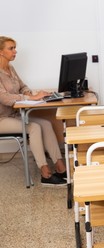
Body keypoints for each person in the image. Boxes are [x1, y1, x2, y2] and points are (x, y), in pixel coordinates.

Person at [0, 36, 67, 186]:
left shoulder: (10, 69)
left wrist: (30, 94)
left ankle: (60, 167)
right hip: (2, 119)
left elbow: (23, 86)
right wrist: (31, 98)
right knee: (34, 127)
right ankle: (45, 173)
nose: (15, 51)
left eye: (14, 48)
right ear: (1, 52)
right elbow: (4, 98)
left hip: (15, 115)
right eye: (11, 48)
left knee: (46, 123)